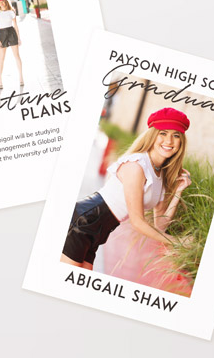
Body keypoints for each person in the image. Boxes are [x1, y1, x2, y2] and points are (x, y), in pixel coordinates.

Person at [61, 108, 192, 270]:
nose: (169, 140)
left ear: (181, 142)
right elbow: (137, 221)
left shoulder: (160, 176)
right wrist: (176, 241)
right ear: (152, 135)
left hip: (99, 231)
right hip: (83, 221)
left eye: (176, 135)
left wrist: (179, 191)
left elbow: (160, 225)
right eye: (163, 133)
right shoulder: (137, 165)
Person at [0, 0, 23, 91]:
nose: (2, 3)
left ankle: (21, 77)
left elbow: (15, 25)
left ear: (6, 1)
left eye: (3, 1)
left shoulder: (11, 11)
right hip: (1, 34)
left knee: (16, 56)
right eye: (0, 2)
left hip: (11, 32)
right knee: (1, 58)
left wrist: (19, 38)